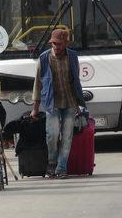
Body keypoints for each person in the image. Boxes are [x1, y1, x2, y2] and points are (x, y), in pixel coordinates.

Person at [30, 29, 86, 179]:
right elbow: (38, 84)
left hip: (70, 102)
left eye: (59, 44)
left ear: (66, 43)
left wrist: (80, 104)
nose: (56, 46)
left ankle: (61, 168)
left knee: (67, 137)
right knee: (52, 135)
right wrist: (35, 108)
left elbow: (76, 79)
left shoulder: (73, 56)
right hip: (51, 103)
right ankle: (52, 164)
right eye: (53, 43)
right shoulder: (44, 58)